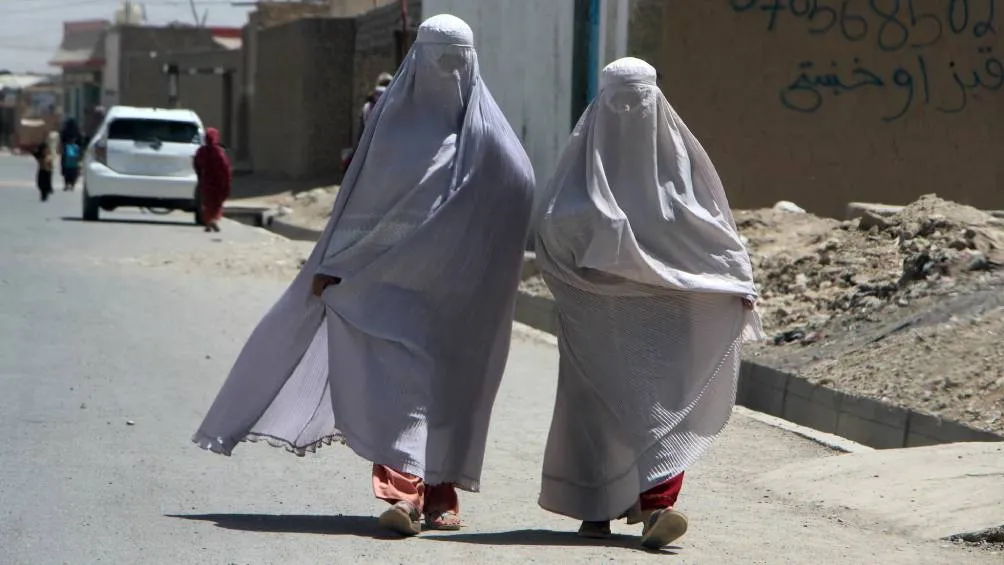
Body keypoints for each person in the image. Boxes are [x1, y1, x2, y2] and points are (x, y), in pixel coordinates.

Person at [192, 14, 534, 537]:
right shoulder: (391, 131)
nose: (447, 70)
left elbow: (516, 194)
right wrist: (334, 266)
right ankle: (404, 491)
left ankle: (439, 491)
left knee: (449, 392)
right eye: (438, 58)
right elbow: (360, 205)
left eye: (456, 59)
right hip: (389, 287)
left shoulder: (489, 139)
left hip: (457, 296)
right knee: (402, 389)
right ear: (417, 60)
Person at [532, 57, 763, 550]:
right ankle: (597, 507)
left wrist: (735, 282)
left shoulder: (680, 171)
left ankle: (658, 506)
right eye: (620, 99)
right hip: (597, 315)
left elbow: (712, 237)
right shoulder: (582, 173)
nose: (629, 111)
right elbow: (551, 234)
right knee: (598, 410)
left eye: (638, 99)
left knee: (660, 407)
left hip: (664, 315)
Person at [193, 128, 231, 233]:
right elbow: (225, 168)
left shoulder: (202, 151)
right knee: (216, 202)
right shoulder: (219, 152)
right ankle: (213, 220)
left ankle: (209, 221)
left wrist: (200, 175)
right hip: (218, 181)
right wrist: (226, 181)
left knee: (207, 202)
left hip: (207, 180)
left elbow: (196, 164)